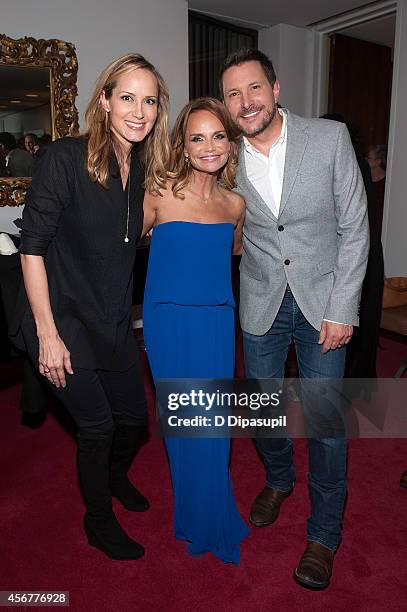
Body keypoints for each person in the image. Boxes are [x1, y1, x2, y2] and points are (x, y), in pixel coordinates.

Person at [10, 53, 171, 561]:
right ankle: (97, 520)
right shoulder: (65, 158)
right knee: (98, 425)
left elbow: (134, 230)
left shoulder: (143, 163)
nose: (138, 111)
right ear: (103, 101)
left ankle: (114, 479)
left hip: (113, 317)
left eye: (149, 100)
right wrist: (47, 335)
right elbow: (31, 247)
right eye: (127, 97)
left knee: (134, 419)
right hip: (62, 319)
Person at [219, 49, 369, 588]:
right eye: (233, 93)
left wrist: (342, 307)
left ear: (276, 87)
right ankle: (279, 478)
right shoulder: (224, 155)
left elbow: (355, 228)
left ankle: (325, 533)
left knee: (326, 424)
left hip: (323, 302)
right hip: (260, 299)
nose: (245, 102)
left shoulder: (328, 139)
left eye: (254, 88)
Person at [142, 97, 249, 564]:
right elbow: (125, 248)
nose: (209, 146)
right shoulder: (158, 193)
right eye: (197, 138)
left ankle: (208, 512)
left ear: (230, 142)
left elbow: (231, 258)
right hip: (168, 323)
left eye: (218, 136)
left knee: (214, 424)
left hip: (217, 323)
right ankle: (193, 512)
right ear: (183, 147)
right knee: (184, 424)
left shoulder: (235, 204)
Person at [366, 144, 387, 237]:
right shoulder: (365, 180)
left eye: (369, 158)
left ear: (378, 161)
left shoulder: (387, 184)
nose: (365, 160)